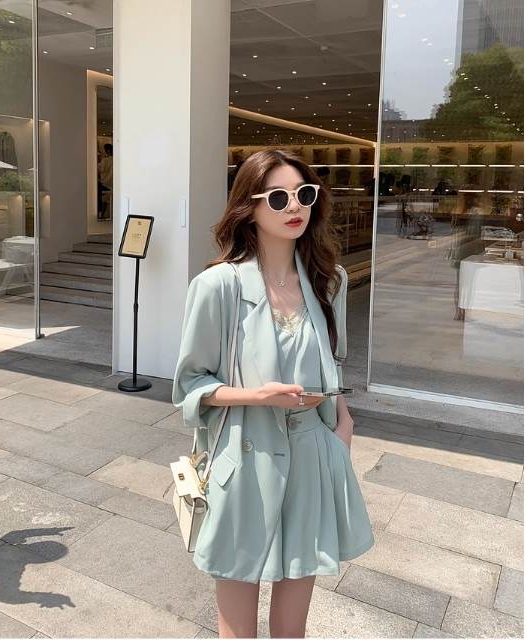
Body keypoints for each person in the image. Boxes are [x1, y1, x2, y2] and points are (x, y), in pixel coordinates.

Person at [172, 149, 374, 638]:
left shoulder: (329, 281)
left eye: (304, 194)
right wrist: (259, 397)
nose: (294, 206)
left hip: (311, 453)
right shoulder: (217, 286)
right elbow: (190, 386)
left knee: (293, 621)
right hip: (246, 456)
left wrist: (342, 426)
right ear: (250, 206)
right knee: (237, 620)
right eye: (278, 198)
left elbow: (334, 361)